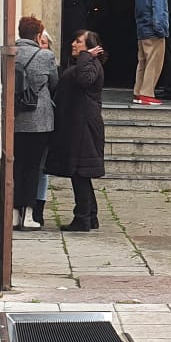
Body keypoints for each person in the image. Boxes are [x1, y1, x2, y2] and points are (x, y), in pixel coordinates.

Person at [47, 31, 106, 232]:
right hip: (78, 124)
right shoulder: (85, 63)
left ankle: (83, 218)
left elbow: (84, 80)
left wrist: (85, 56)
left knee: (80, 171)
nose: (73, 44)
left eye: (78, 42)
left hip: (84, 127)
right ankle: (90, 214)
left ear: (89, 46)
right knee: (80, 173)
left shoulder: (89, 64)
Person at [10, 17, 57, 230]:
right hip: (39, 121)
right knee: (33, 168)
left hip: (15, 117)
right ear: (38, 36)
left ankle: (12, 212)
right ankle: (29, 214)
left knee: (16, 166)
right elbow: (54, 82)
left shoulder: (12, 53)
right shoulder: (46, 55)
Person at [132, 0, 168, 106]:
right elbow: (158, 15)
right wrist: (161, 32)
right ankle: (147, 94)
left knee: (142, 63)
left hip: (142, 32)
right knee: (153, 64)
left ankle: (138, 91)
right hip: (154, 33)